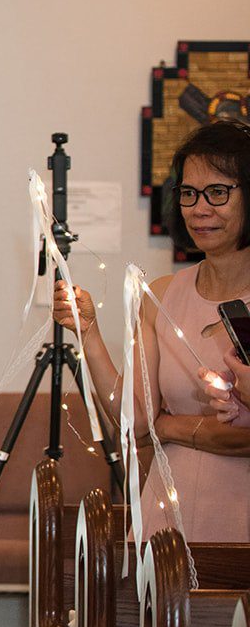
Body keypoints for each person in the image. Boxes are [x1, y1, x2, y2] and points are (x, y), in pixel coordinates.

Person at [55, 120, 250, 540]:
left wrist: (172, 427)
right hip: (164, 525)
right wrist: (89, 335)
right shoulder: (160, 295)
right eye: (188, 193)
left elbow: (243, 439)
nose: (199, 208)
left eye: (218, 192)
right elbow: (137, 424)